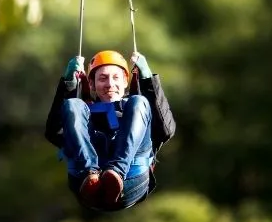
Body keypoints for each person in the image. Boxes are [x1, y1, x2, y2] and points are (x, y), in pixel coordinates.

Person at [44, 49, 176, 211]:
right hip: (85, 185)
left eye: (116, 78)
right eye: (102, 78)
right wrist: (68, 85)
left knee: (139, 101)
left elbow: (166, 130)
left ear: (125, 81)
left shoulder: (136, 108)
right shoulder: (83, 112)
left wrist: (148, 81)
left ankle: (116, 173)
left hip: (131, 181)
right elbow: (55, 133)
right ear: (91, 84)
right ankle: (90, 173)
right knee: (73, 104)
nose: (110, 84)